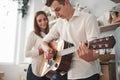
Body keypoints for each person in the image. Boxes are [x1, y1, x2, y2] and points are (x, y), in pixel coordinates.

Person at [41, 0, 101, 80]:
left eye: (58, 9)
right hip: (63, 71)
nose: (56, 15)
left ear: (67, 2)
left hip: (86, 73)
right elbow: (44, 42)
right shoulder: (59, 23)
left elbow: (96, 53)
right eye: (53, 11)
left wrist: (89, 56)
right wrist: (47, 50)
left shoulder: (88, 19)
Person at [25, 11, 50, 80]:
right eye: (39, 20)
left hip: (47, 71)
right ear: (36, 23)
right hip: (34, 71)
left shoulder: (50, 34)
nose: (43, 22)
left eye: (44, 19)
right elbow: (26, 53)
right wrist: (40, 51)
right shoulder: (33, 34)